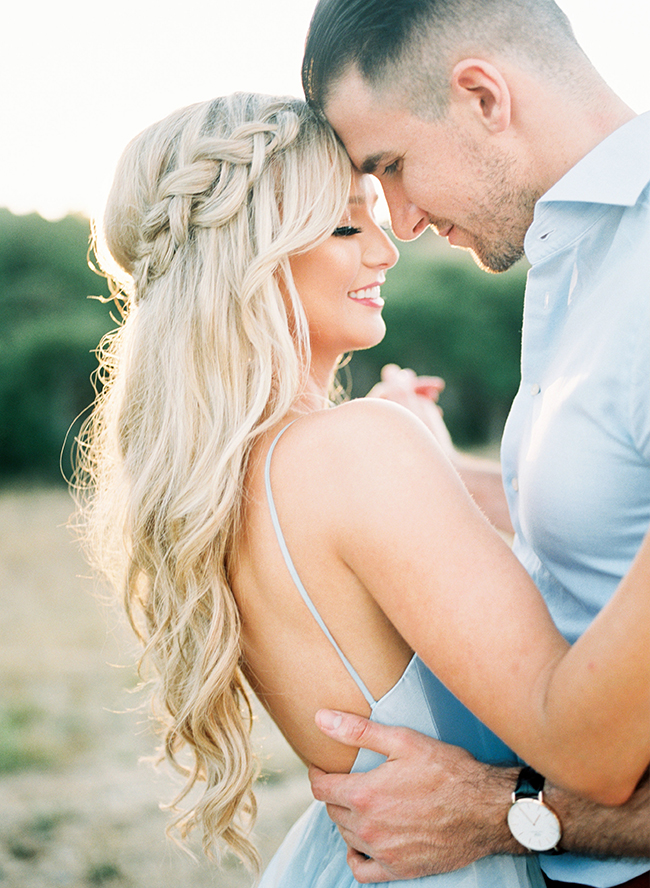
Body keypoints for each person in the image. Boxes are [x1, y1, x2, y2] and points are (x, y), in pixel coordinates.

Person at [74, 92, 649, 888]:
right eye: (348, 226)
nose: (386, 251)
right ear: (251, 256)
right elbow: (588, 751)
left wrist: (437, 469)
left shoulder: (235, 475)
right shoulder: (355, 453)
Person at [299, 1, 650, 886]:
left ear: (483, 97)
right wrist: (443, 474)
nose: (401, 222)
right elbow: (614, 511)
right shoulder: (575, 252)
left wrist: (505, 811)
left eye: (392, 167)